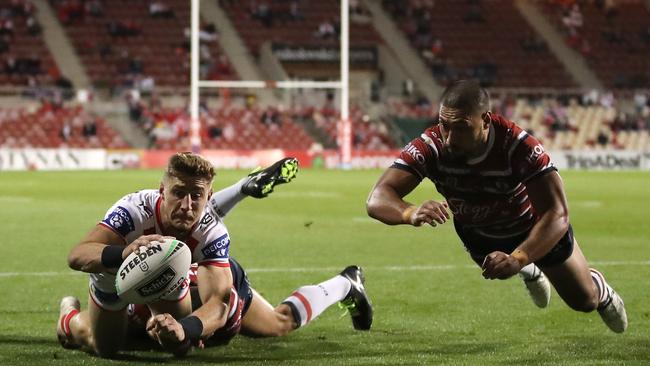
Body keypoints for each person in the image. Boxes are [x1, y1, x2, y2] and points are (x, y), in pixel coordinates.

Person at [366, 80, 627, 333]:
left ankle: (599, 289)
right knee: (501, 270)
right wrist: (409, 212)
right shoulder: (431, 145)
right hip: (479, 233)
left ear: (486, 121)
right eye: (444, 125)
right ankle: (528, 269)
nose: (449, 138)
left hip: (533, 229)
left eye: (461, 128)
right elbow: (377, 198)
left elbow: (557, 213)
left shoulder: (518, 146)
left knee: (584, 302)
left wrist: (518, 257)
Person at [56, 153, 373, 358]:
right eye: (179, 193)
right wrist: (123, 252)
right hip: (143, 278)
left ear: (207, 198)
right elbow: (78, 254)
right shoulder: (134, 210)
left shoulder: (213, 230)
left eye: (197, 197)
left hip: (200, 280)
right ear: (161, 191)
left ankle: (346, 284)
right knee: (106, 345)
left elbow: (219, 303)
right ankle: (69, 319)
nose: (187, 205)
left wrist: (187, 331)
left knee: (278, 323)